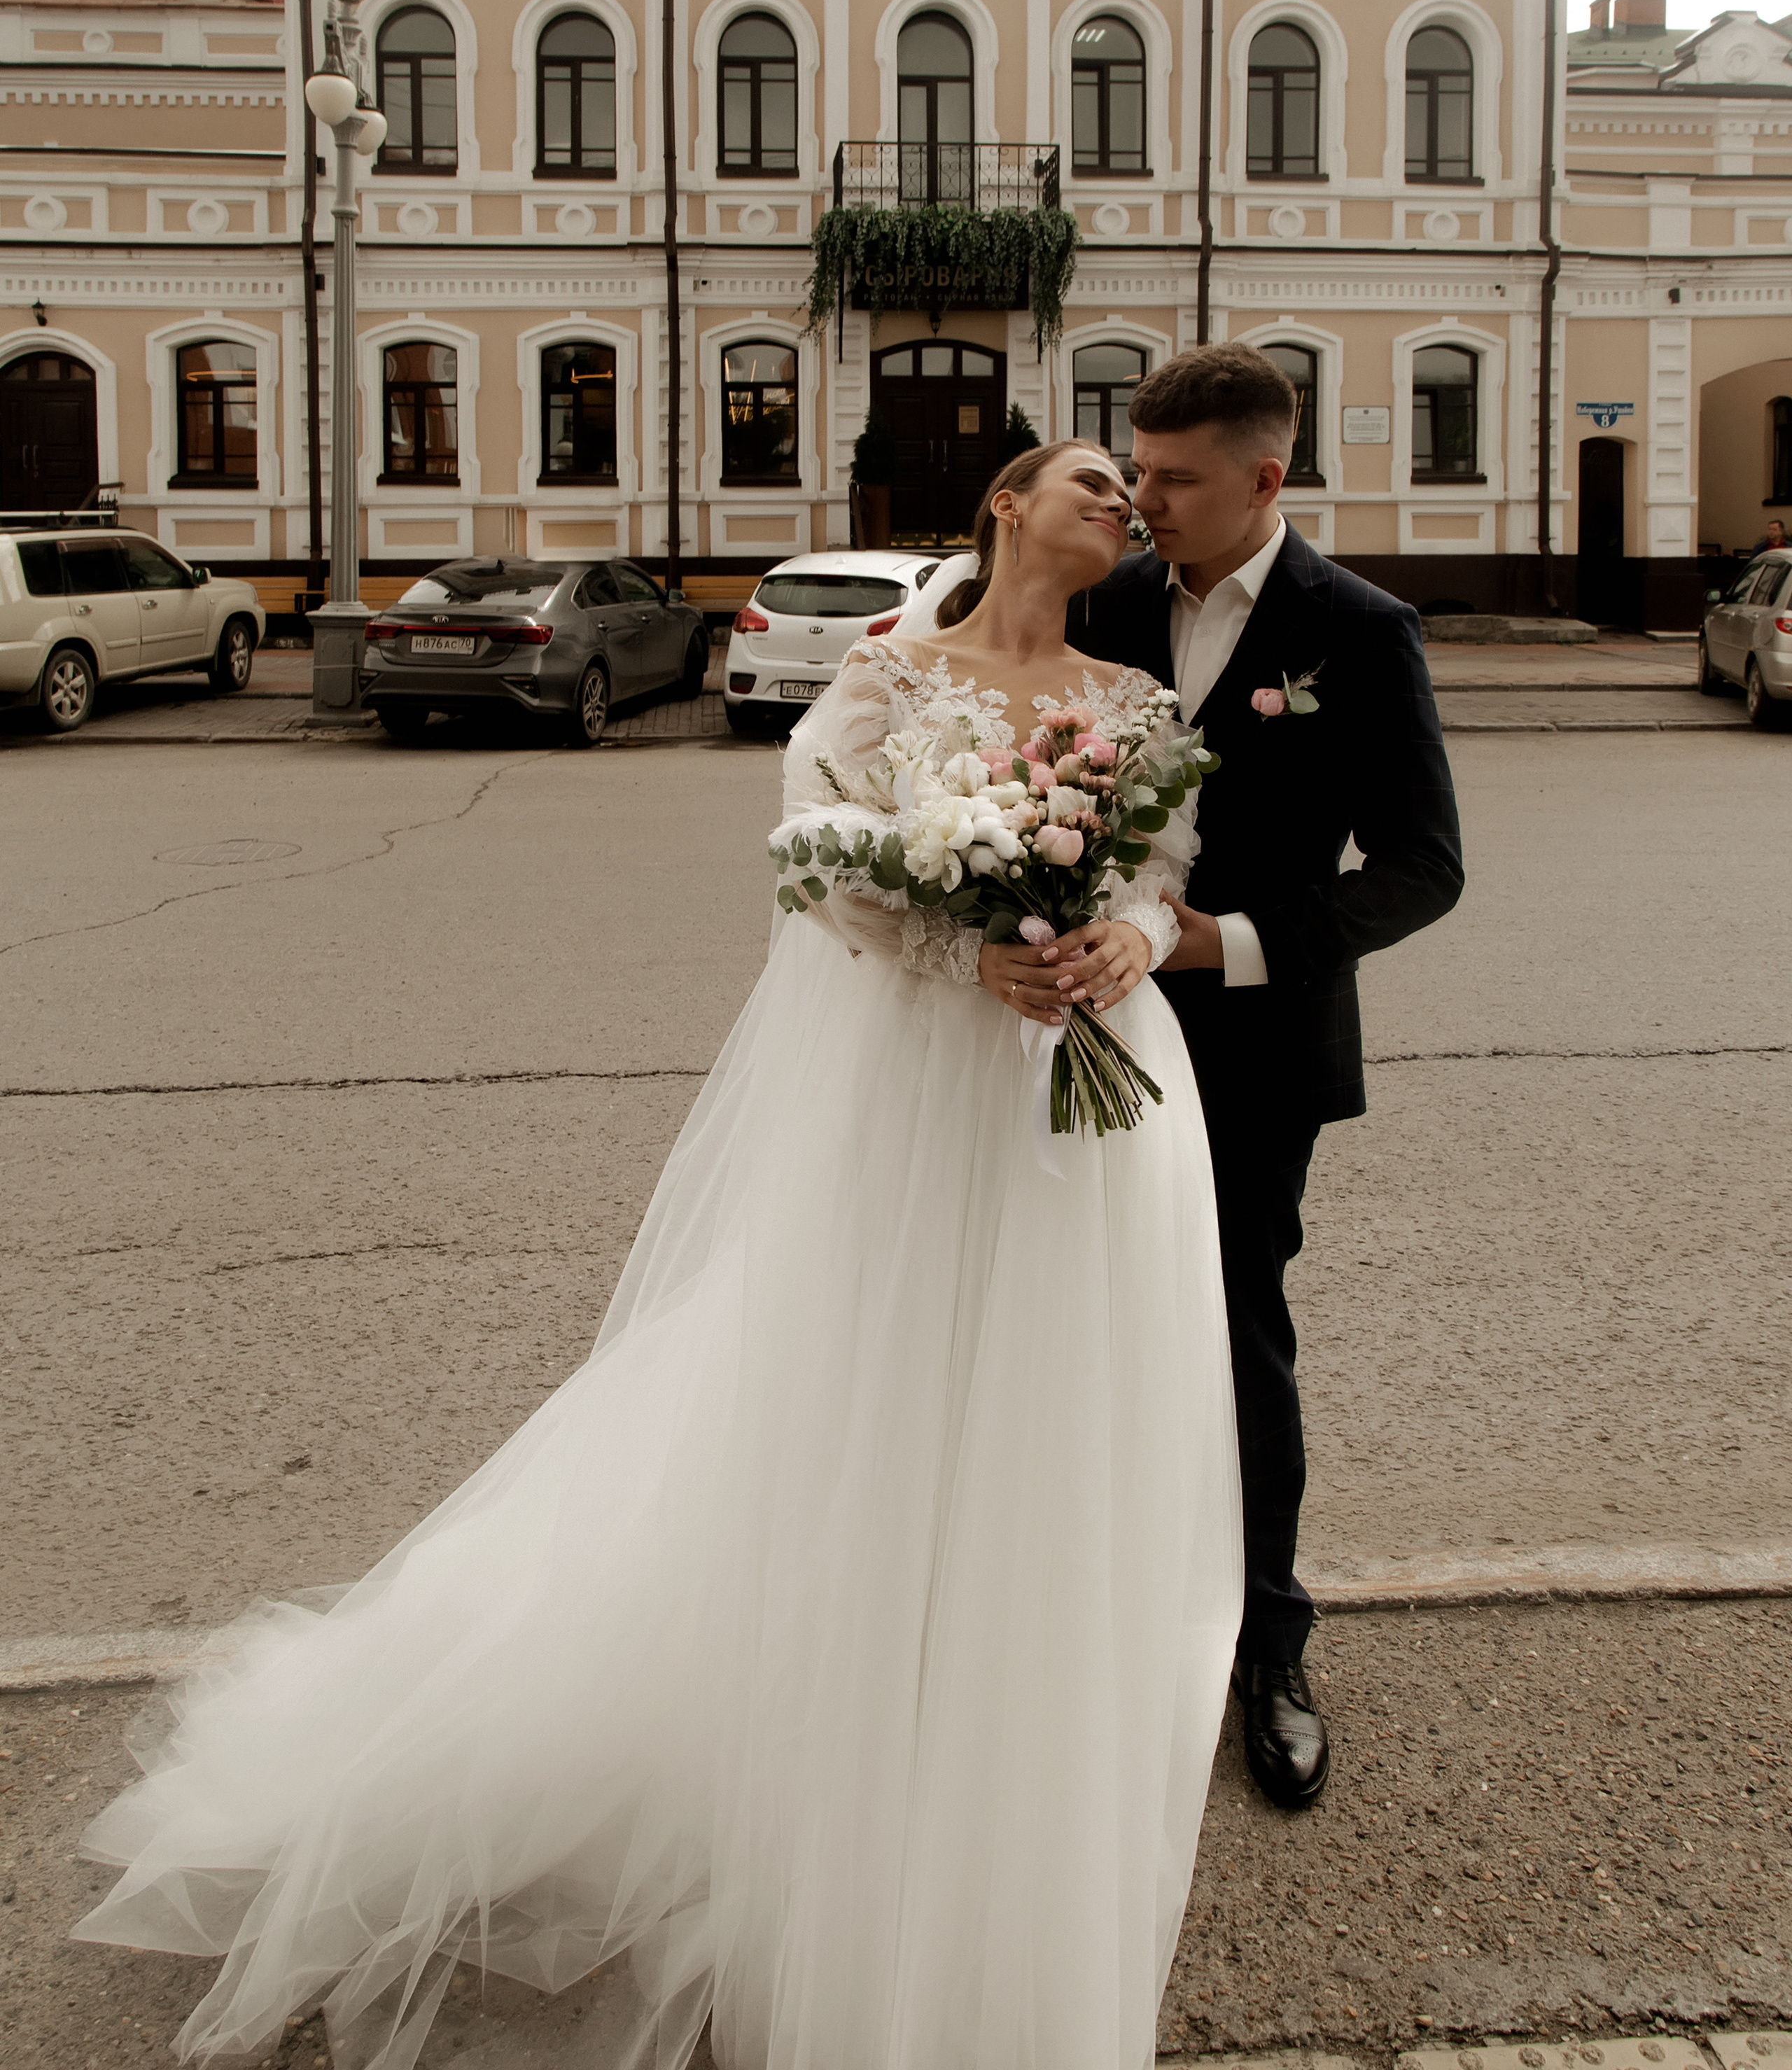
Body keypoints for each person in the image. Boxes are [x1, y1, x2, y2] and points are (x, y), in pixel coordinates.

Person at [74, 438, 1243, 2070]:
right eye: (1090, 483)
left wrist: (1119, 929)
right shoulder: (891, 671)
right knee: (863, 1387)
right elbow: (811, 853)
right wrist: (950, 942)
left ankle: (992, 1708)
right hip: (922, 1079)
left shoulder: (1132, 697)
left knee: (1048, 1402)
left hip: (1077, 1087)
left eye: (1132, 496)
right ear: (1003, 504)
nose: (1117, 508)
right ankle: (833, 1716)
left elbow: (1162, 866)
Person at [1070, 345, 1464, 1811]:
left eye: (1170, 480)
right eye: (1133, 469)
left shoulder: (1355, 632)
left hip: (1251, 1046)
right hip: (1076, 1037)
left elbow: (1422, 872)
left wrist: (1218, 944)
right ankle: (1092, 1621)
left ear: (1263, 477)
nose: (1139, 501)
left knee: (1235, 1334)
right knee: (1077, 1321)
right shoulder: (1102, 603)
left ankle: (1265, 1645)